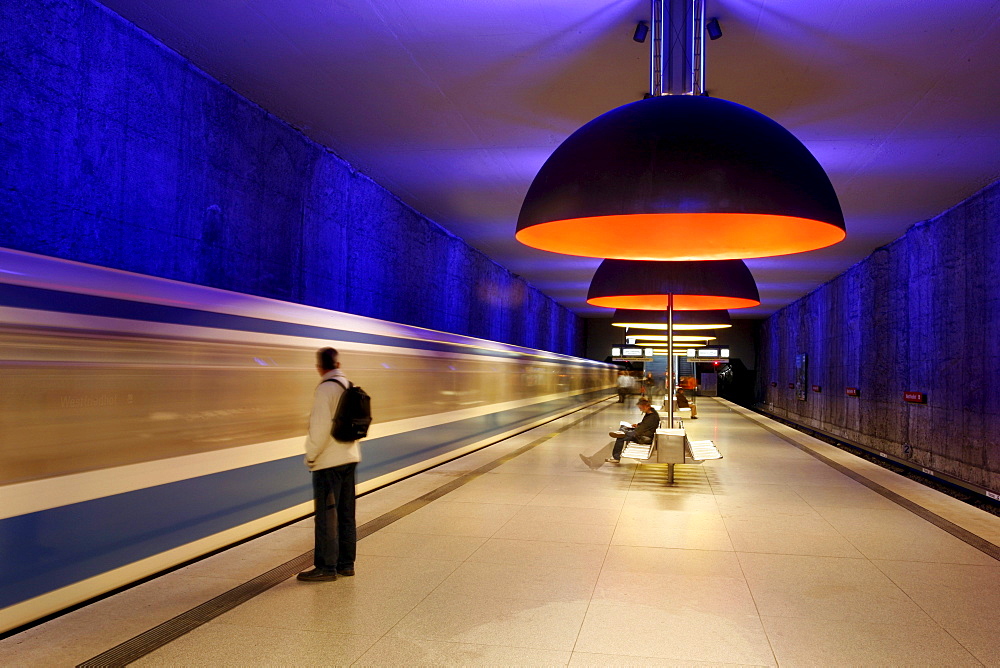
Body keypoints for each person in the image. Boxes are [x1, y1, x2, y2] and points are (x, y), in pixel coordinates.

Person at [297, 347, 361, 582]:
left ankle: (326, 567)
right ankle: (346, 564)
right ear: (338, 363)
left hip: (328, 462)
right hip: (349, 457)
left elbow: (320, 429)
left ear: (319, 367)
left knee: (326, 516)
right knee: (346, 513)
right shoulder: (348, 385)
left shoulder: (326, 389)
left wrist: (310, 457)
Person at [579, 397, 660, 468]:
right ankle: (618, 440)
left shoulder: (652, 417)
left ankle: (611, 457)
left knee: (621, 436)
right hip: (643, 434)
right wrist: (637, 425)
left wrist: (627, 432)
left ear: (646, 406)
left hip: (644, 438)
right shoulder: (651, 413)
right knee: (622, 430)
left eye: (641, 408)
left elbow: (638, 432)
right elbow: (645, 425)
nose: (640, 410)